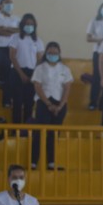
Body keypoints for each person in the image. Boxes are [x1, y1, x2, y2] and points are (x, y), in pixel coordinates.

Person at [31, 42, 73, 170]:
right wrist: (48, 104)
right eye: (50, 53)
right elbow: (37, 86)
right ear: (46, 54)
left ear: (59, 54)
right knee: (39, 132)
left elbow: (67, 88)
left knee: (54, 133)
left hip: (59, 104)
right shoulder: (40, 68)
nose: (53, 55)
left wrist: (60, 106)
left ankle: (51, 163)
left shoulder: (65, 69)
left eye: (55, 53)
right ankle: (33, 162)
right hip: (43, 103)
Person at [9, 13, 44, 124]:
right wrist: (21, 74)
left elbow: (39, 59)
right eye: (27, 23)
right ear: (22, 25)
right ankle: (16, 130)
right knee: (17, 102)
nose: (29, 26)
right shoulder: (15, 37)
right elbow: (12, 56)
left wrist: (33, 75)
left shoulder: (38, 41)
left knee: (29, 103)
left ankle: (26, 130)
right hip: (17, 72)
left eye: (31, 24)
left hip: (32, 73)